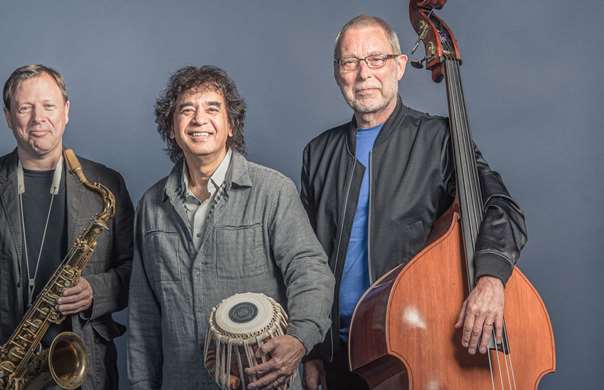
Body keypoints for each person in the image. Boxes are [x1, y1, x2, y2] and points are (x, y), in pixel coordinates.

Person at [300, 16, 527, 390]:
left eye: (376, 59)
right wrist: (312, 351)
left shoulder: (439, 138)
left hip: (413, 346)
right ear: (337, 72)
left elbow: (501, 206)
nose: (363, 74)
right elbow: (304, 259)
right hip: (339, 356)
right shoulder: (317, 153)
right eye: (350, 62)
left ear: (400, 66)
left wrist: (491, 279)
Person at [127, 65, 334, 390]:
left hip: (263, 382)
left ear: (231, 125)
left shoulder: (273, 191)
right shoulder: (151, 206)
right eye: (186, 110)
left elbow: (311, 273)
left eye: (212, 108)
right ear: (171, 127)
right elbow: (143, 315)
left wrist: (299, 339)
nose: (199, 119)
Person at [0, 64, 134, 390]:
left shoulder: (106, 184)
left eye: (49, 106)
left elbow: (136, 271)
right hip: (1, 367)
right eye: (25, 108)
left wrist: (97, 290)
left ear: (66, 111)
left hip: (84, 367)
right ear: (9, 117)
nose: (38, 118)